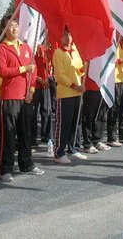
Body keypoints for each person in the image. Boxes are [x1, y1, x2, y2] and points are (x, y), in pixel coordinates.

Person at [0, 15, 44, 181]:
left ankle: (26, 163)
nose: (14, 28)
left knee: (25, 132)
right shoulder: (2, 48)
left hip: (25, 96)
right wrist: (23, 68)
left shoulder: (25, 47)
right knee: (9, 135)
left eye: (16, 25)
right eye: (10, 25)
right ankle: (5, 168)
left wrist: (31, 90)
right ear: (4, 29)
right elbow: (3, 71)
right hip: (10, 96)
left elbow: (34, 70)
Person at [52, 29, 87, 163]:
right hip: (65, 93)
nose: (68, 38)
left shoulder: (75, 52)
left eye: (69, 35)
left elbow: (78, 70)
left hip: (77, 93)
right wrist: (74, 86)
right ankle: (59, 152)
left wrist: (83, 69)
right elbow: (60, 76)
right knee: (64, 123)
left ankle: (73, 149)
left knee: (75, 122)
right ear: (60, 38)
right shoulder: (58, 53)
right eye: (65, 35)